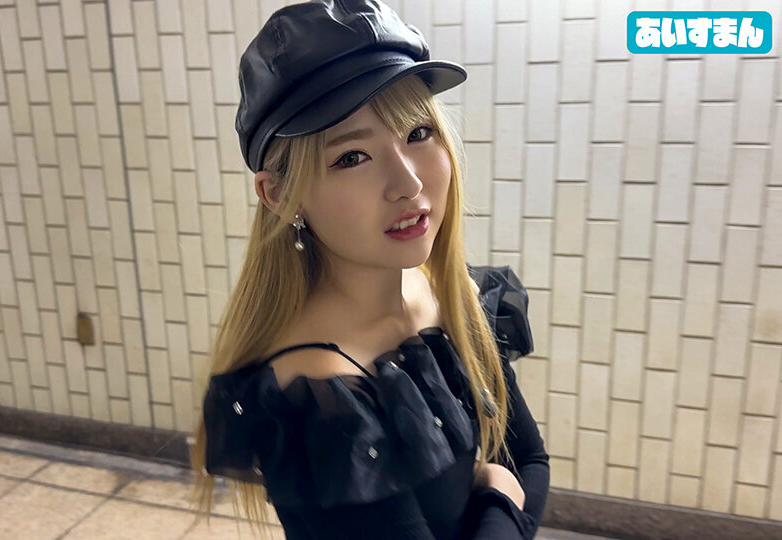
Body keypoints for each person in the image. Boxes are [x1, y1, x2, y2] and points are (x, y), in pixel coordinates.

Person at [190, 1, 550, 538]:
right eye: (351, 157)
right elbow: (515, 479)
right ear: (280, 195)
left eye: (418, 133)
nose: (408, 183)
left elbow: (530, 461)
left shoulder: (451, 294)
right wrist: (499, 497)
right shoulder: (318, 393)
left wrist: (503, 498)